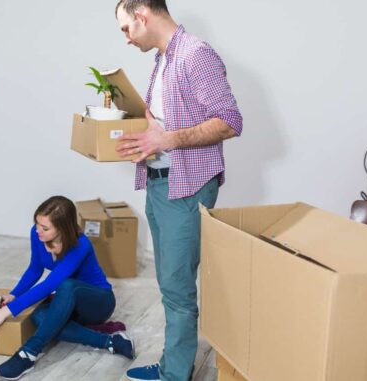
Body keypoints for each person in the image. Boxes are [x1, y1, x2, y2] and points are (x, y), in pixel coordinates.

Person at [114, 1, 244, 381]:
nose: (125, 39)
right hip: (159, 185)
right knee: (170, 283)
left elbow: (230, 121)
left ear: (142, 15)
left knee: (177, 286)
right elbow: (166, 124)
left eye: (125, 28)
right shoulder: (163, 60)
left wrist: (166, 139)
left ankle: (175, 375)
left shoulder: (195, 55)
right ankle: (173, 364)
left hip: (186, 187)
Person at [0, 195, 135, 380]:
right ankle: (111, 342)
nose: (38, 230)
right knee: (38, 315)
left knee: (67, 284)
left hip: (98, 302)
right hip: (68, 303)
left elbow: (51, 284)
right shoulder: (36, 234)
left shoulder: (81, 244)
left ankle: (29, 353)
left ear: (62, 228)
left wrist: (5, 312)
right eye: (37, 223)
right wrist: (14, 295)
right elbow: (34, 268)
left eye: (44, 227)